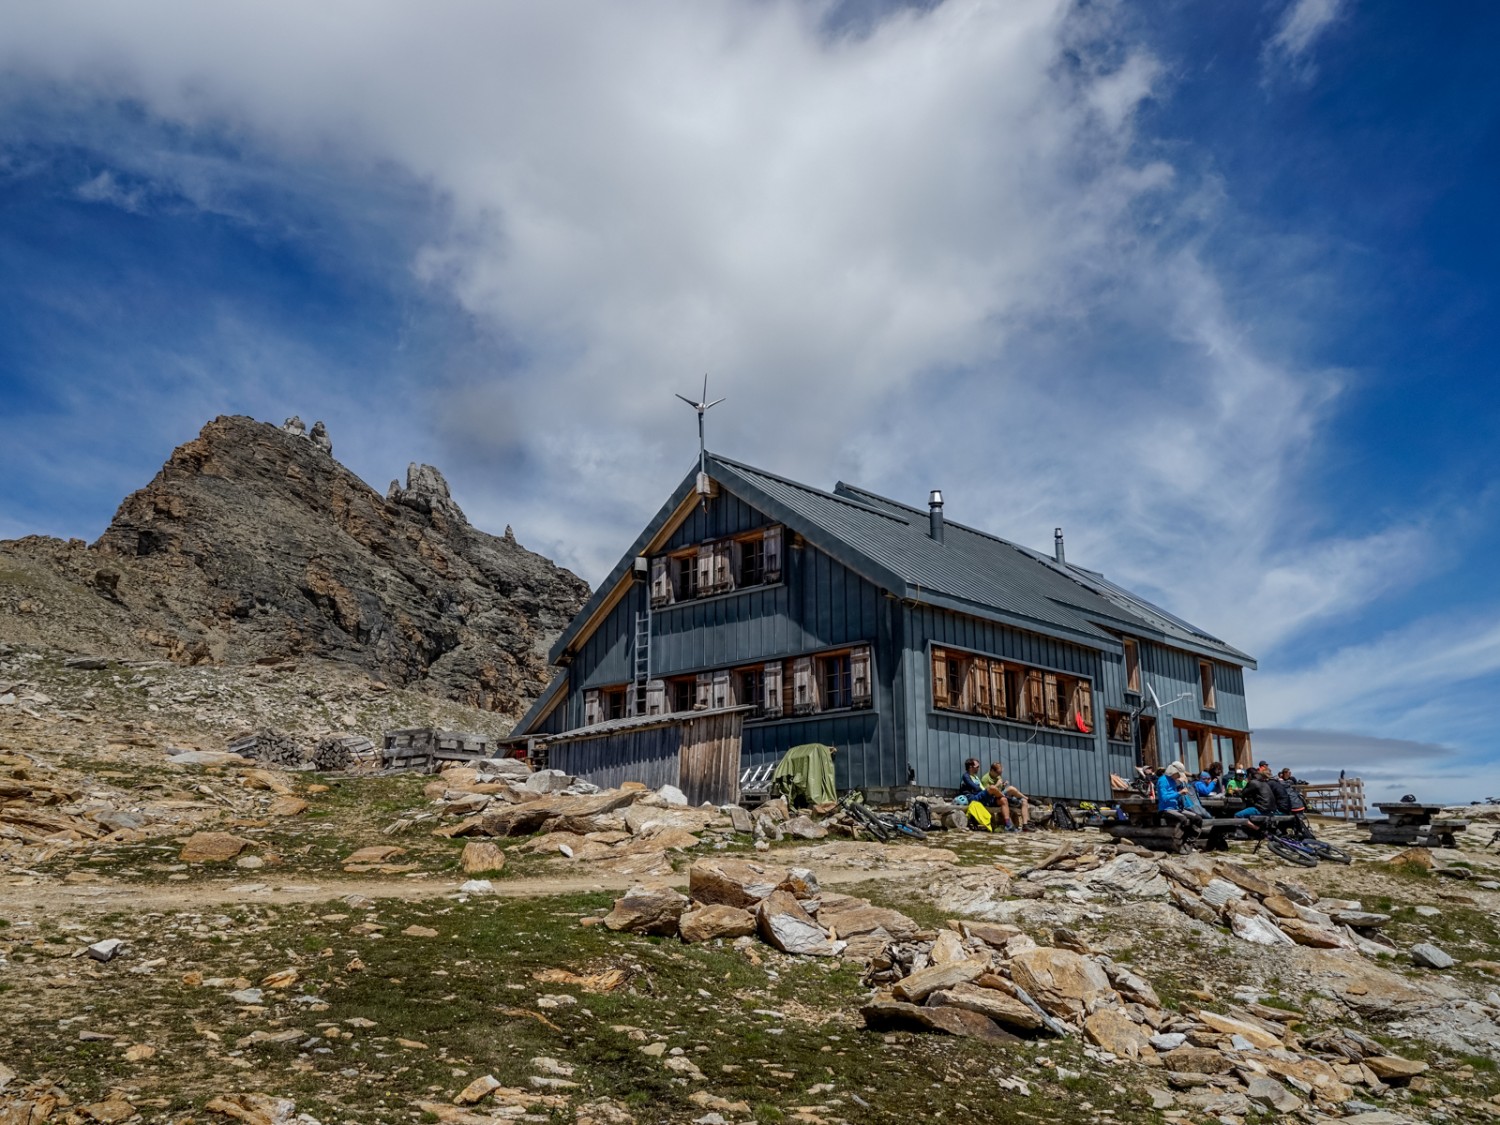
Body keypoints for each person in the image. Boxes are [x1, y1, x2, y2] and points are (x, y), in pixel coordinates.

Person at [1156, 761, 1203, 841]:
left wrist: (1181, 791)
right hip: (1166, 809)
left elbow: (1176, 792)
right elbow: (1164, 798)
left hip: (1177, 808)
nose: (1179, 776)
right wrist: (1179, 793)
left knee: (1198, 818)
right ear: (1173, 772)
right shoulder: (1162, 780)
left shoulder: (1173, 780)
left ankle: (1190, 839)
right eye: (1178, 774)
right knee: (1183, 819)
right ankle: (1181, 839)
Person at [981, 761, 1029, 833]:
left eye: (1000, 773)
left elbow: (1000, 789)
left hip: (1001, 795)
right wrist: (997, 785)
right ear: (992, 770)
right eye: (998, 773)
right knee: (1011, 789)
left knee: (1024, 802)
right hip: (992, 799)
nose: (999, 775)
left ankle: (1025, 825)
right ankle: (1027, 798)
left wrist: (1003, 785)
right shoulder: (985, 779)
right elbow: (987, 793)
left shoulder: (998, 777)